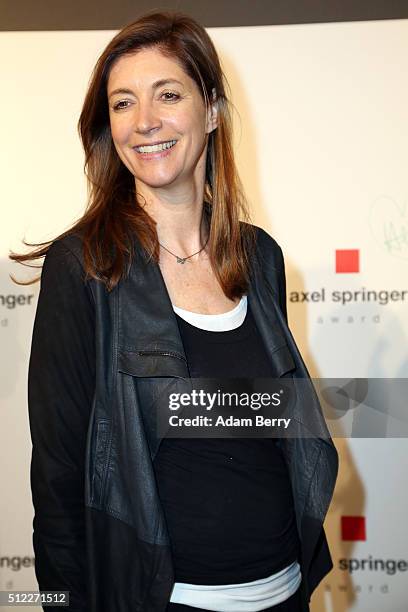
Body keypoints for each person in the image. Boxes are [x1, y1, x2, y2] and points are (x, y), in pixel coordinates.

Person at [11, 11, 338, 612]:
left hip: (287, 590)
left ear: (210, 110)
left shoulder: (259, 256)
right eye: (122, 103)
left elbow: (273, 429)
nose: (144, 122)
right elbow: (57, 480)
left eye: (168, 94)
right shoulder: (84, 266)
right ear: (107, 127)